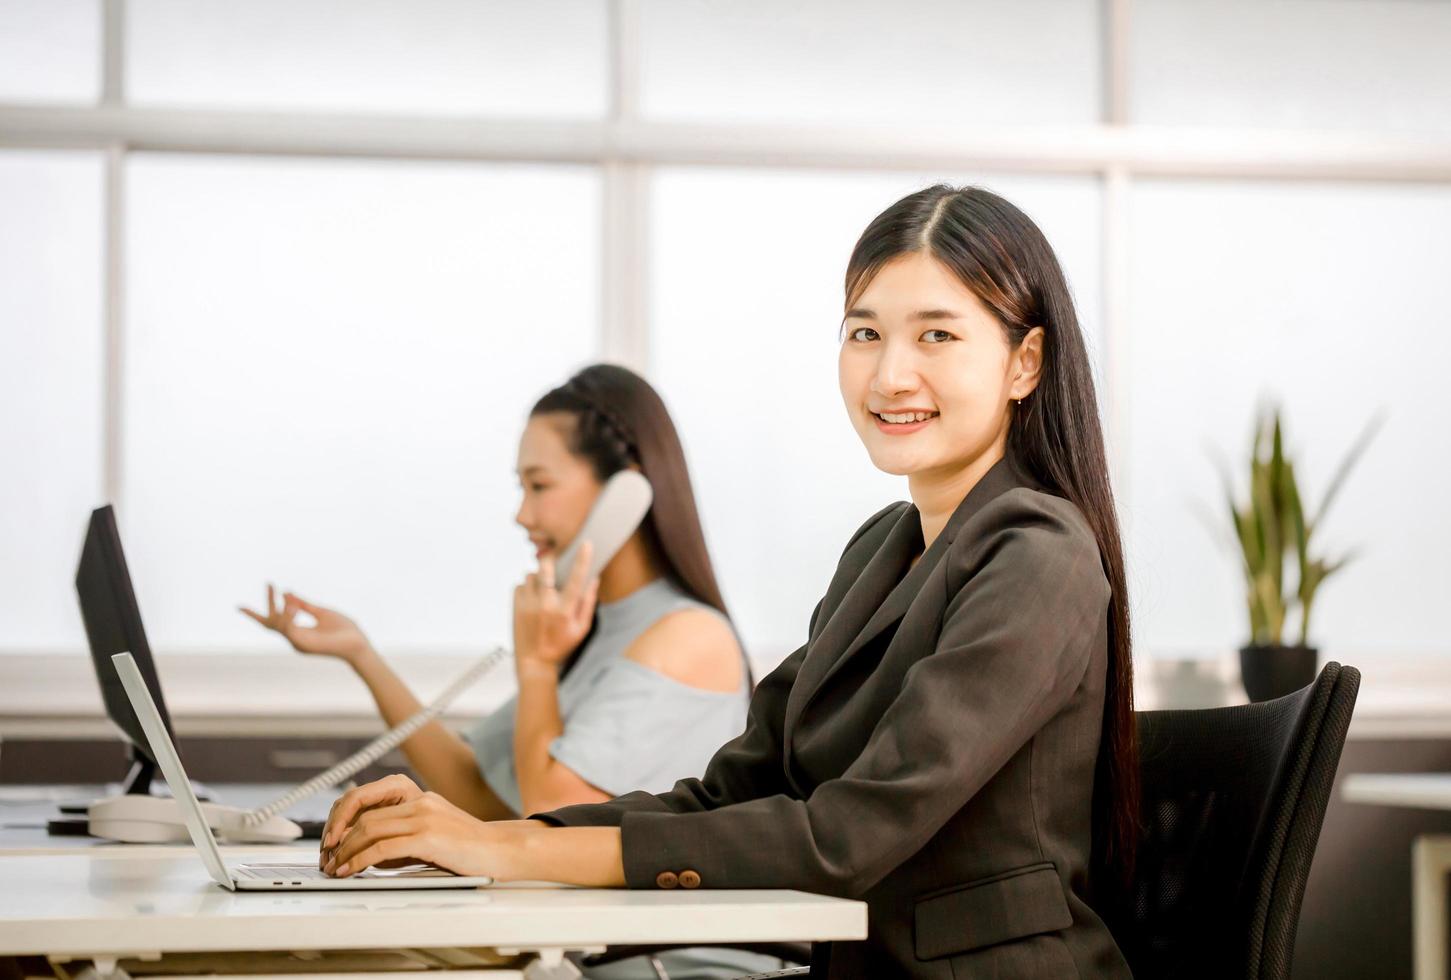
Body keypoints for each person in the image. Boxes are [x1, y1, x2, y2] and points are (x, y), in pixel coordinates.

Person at [315, 187, 1139, 979]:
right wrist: (489, 833)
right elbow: (737, 790)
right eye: (863, 334)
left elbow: (846, 834)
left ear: (1024, 362)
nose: (889, 375)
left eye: (936, 337)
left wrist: (506, 849)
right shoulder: (881, 551)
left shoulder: (1039, 553)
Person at [242, 364, 775, 978]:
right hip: (569, 947)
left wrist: (539, 664)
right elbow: (478, 789)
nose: (522, 515)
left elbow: (549, 811)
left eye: (539, 485)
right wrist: (362, 655)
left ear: (624, 496)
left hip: (649, 962)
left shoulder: (688, 635)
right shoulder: (598, 630)